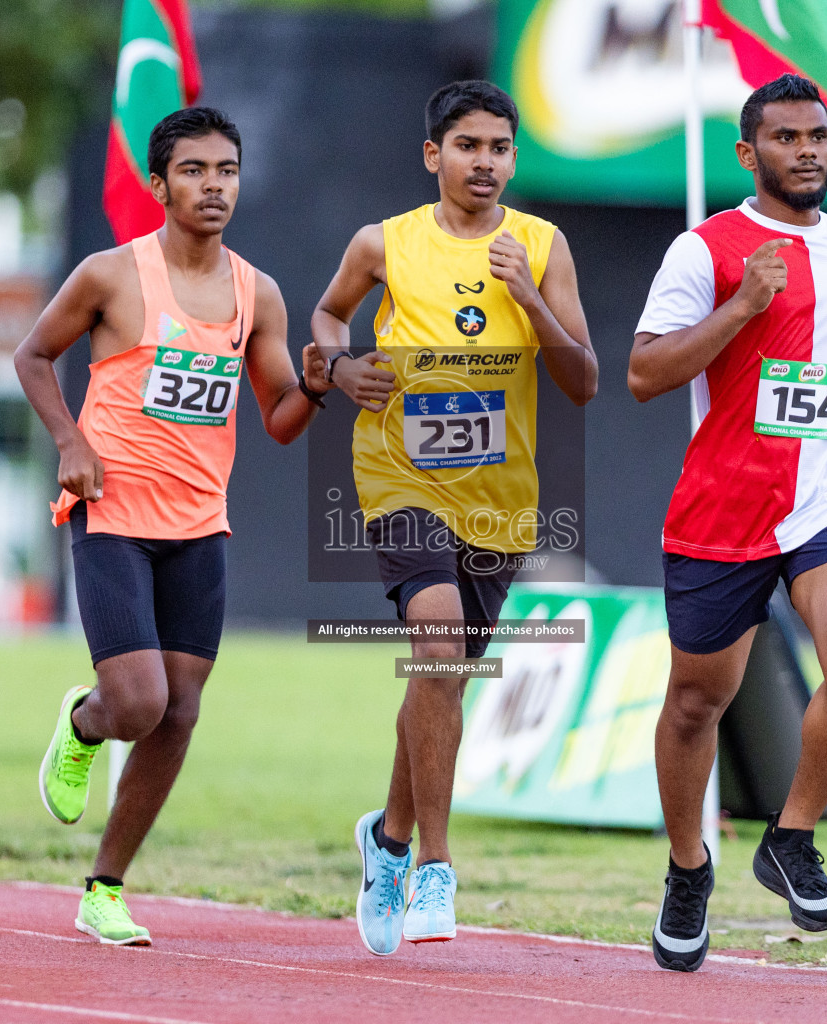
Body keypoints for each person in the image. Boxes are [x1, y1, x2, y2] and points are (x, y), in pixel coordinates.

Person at [628, 74, 827, 972]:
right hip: (727, 502)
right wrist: (742, 306)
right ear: (749, 154)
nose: (809, 151)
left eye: (819, 137)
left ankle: (790, 838)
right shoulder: (705, 249)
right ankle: (688, 871)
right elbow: (646, 374)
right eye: (788, 138)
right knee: (694, 704)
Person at [13, 107, 327, 945]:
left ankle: (105, 888)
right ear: (160, 184)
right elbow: (32, 356)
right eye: (194, 170)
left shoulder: (256, 292)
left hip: (198, 521)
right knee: (139, 701)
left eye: (226, 169)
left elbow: (281, 417)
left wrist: (322, 385)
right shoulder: (110, 275)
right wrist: (71, 440)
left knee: (180, 713)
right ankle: (86, 722)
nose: (213, 185)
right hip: (111, 510)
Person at [303, 79, 597, 956]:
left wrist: (532, 299)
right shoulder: (383, 243)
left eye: (500, 148)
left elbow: (581, 380)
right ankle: (433, 864)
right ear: (435, 155)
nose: (486, 162)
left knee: (445, 678)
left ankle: (384, 837)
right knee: (435, 648)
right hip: (399, 475)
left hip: (499, 500)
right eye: (468, 146)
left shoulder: (542, 247)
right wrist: (340, 366)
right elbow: (326, 315)